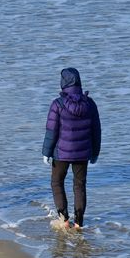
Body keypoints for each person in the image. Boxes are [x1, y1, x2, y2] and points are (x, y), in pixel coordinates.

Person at [42, 67, 101, 229]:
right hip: (83, 153)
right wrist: (95, 152)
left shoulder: (57, 104)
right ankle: (79, 223)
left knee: (56, 182)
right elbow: (96, 130)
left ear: (63, 83)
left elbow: (51, 131)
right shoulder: (90, 103)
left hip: (61, 153)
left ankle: (65, 219)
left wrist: (46, 152)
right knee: (80, 185)